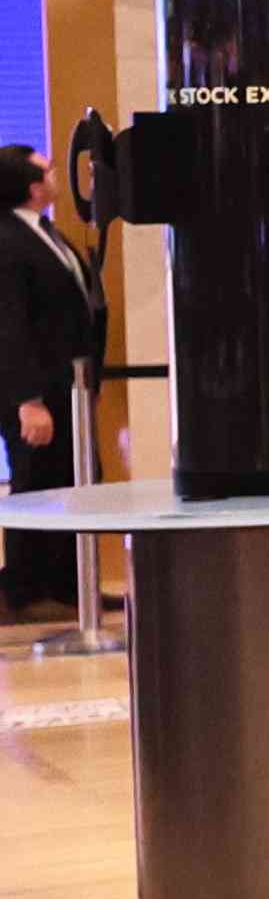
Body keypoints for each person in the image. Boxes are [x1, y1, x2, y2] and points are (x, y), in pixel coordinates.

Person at [0, 145, 94, 620]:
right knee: (36, 484)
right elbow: (9, 325)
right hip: (35, 391)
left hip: (69, 387)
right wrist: (28, 401)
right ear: (32, 187)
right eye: (49, 169)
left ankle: (67, 586)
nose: (57, 173)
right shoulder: (6, 240)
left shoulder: (44, 232)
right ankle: (24, 591)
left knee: (70, 482)